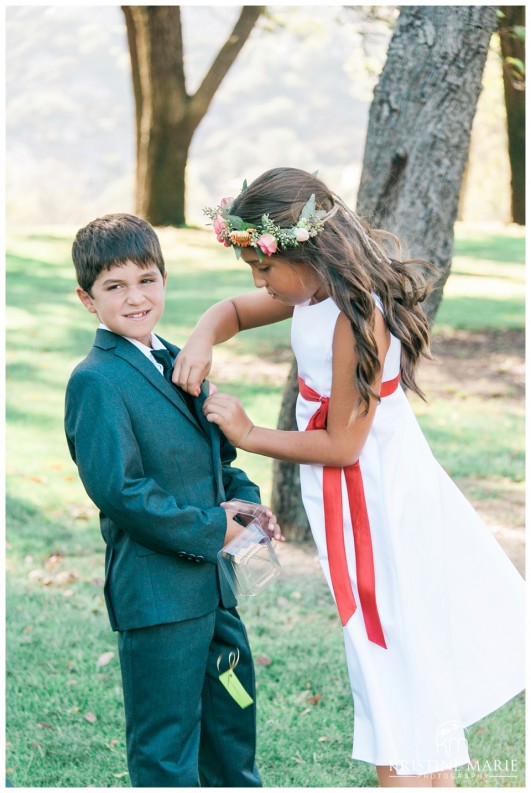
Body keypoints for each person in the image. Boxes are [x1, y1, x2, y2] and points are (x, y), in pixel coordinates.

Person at [171, 168, 525, 788]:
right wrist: (203, 334)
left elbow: (342, 445)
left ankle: (406, 774)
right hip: (358, 490)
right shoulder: (312, 294)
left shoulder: (355, 319)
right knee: (399, 658)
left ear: (304, 252)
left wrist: (248, 434)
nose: (259, 283)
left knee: (387, 655)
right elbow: (230, 310)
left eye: (264, 268)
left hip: (376, 502)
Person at [64, 212, 283, 787]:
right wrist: (217, 527)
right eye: (114, 287)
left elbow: (220, 463)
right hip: (158, 602)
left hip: (216, 592)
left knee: (231, 730)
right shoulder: (97, 381)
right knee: (167, 752)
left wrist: (248, 507)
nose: (135, 298)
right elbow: (123, 492)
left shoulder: (179, 361)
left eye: (146, 280)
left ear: (163, 280)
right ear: (89, 300)